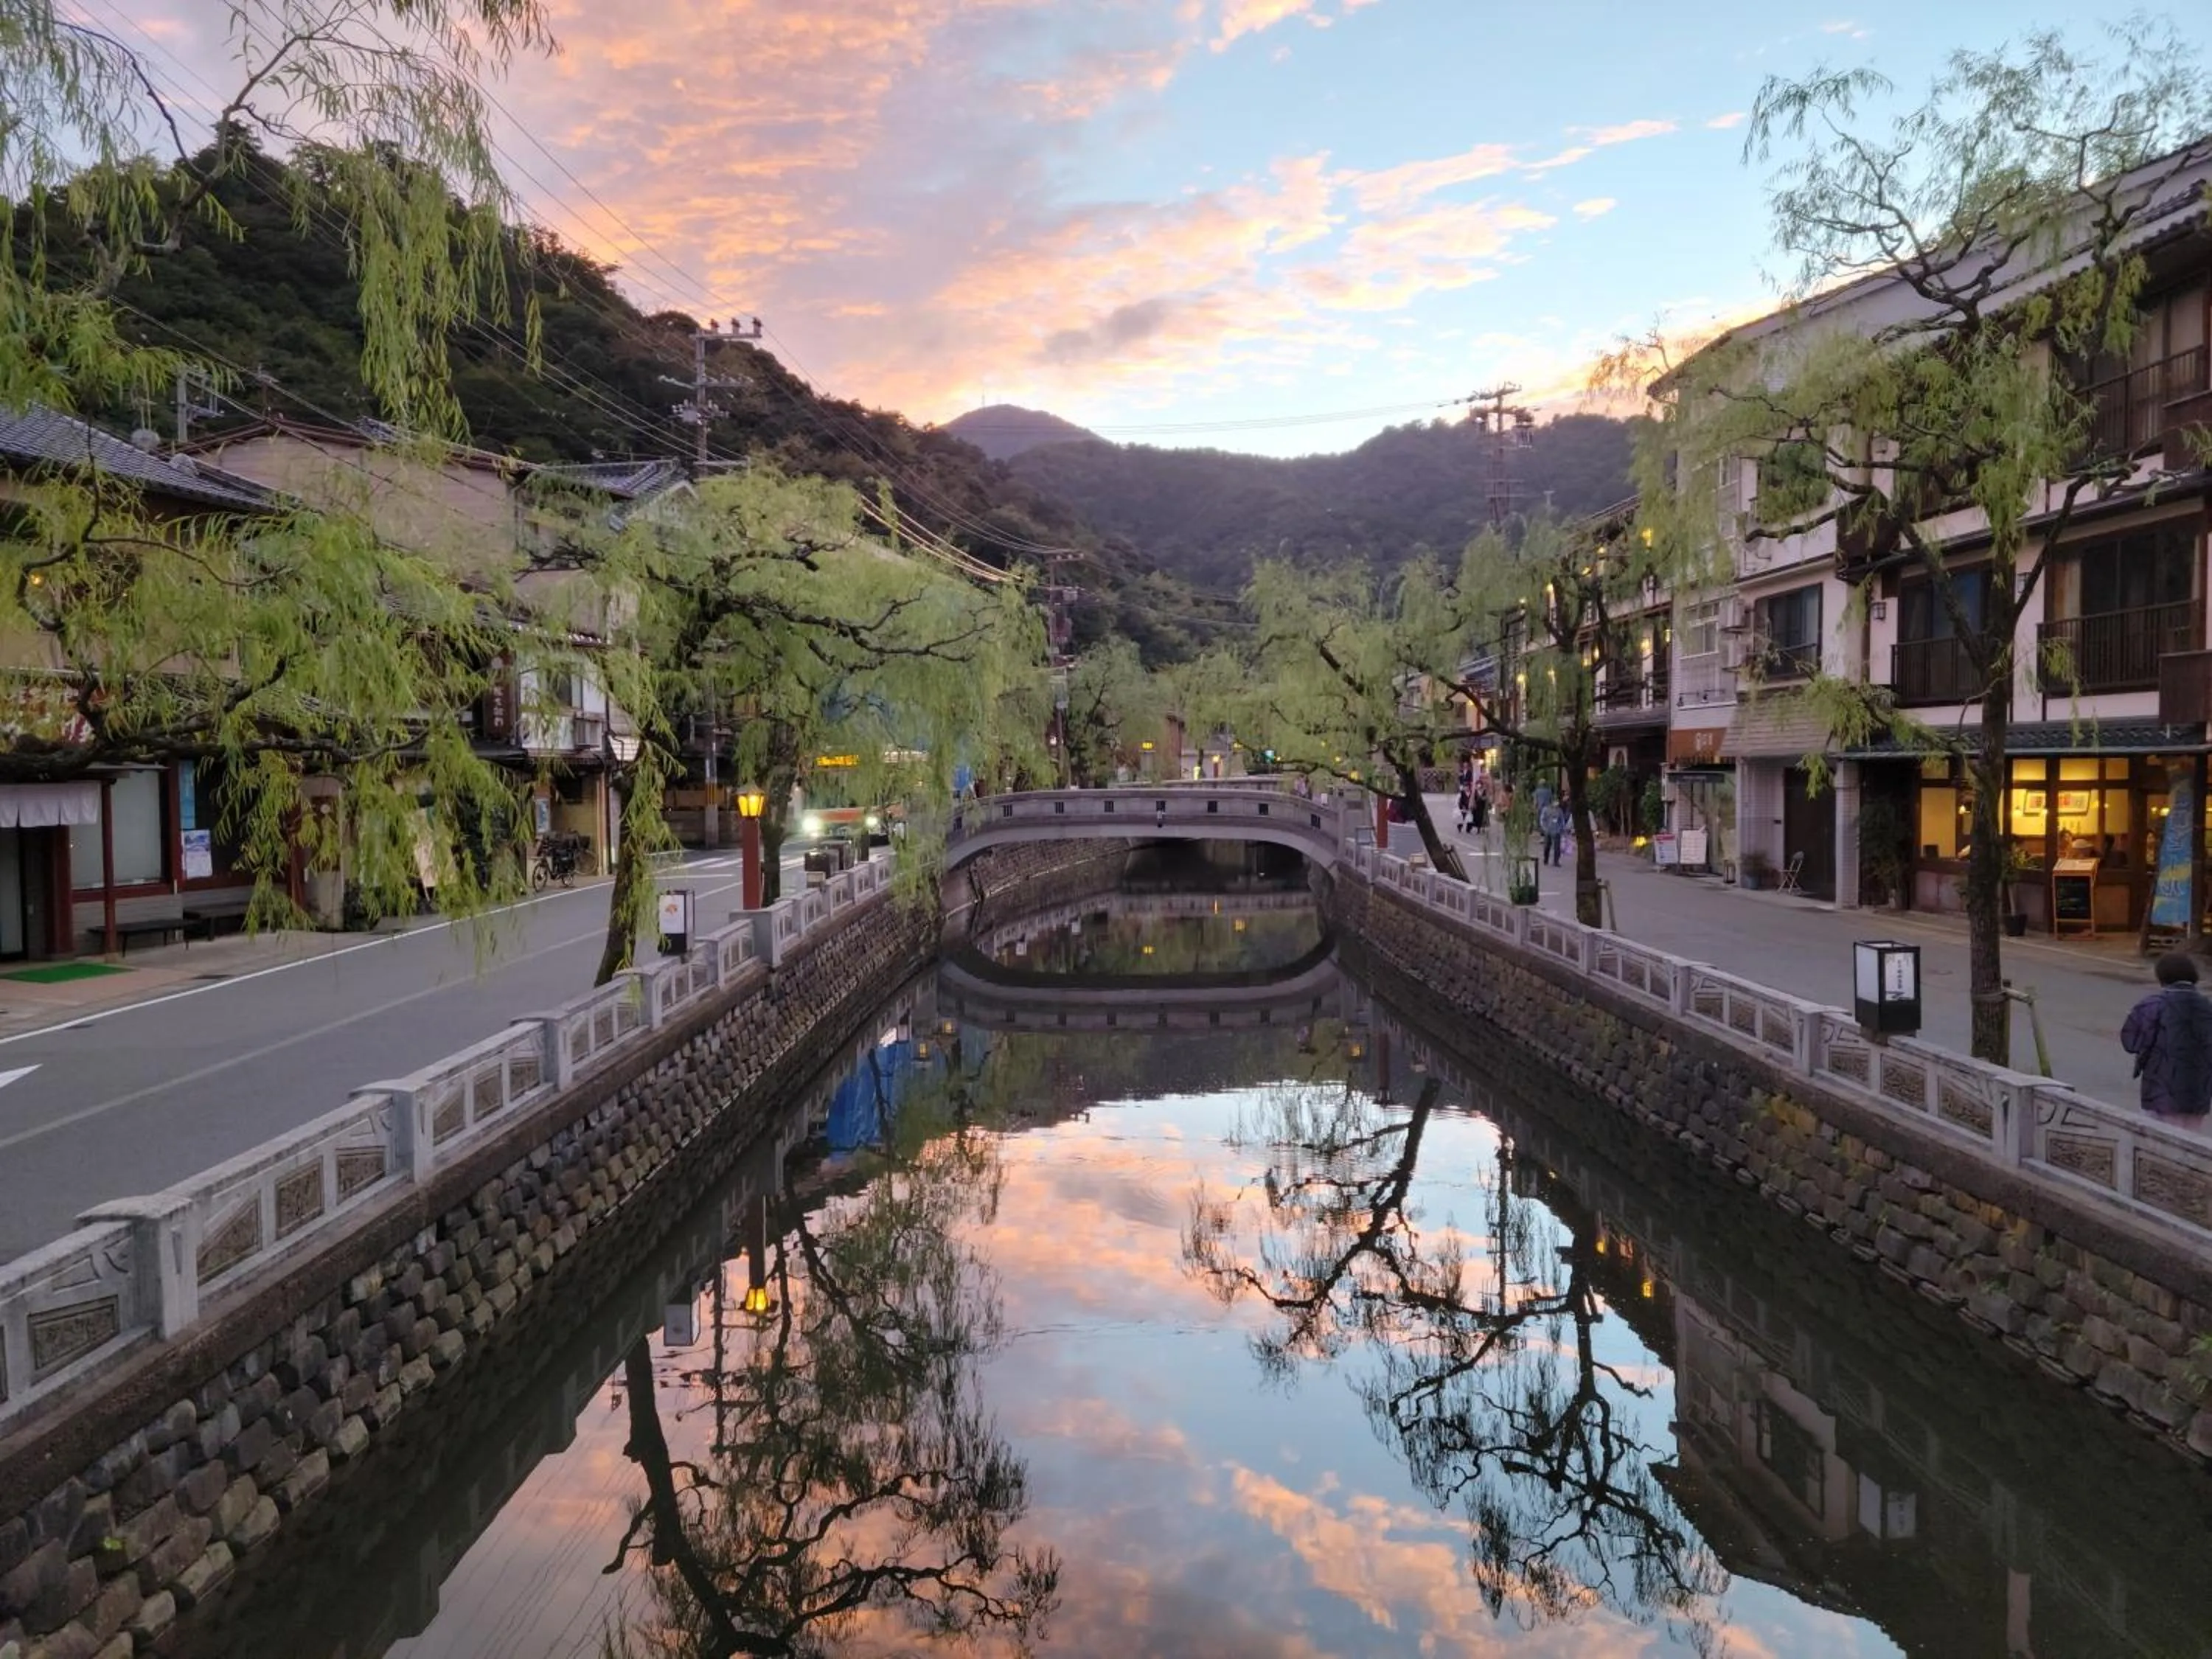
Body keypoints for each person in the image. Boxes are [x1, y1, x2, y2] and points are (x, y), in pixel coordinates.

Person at [2120, 953, 2212, 1129]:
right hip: (2198, 1088)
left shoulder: (2153, 1005)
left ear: (2162, 976)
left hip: (2160, 1087)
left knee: (2156, 1143)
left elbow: (2131, 1042)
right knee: (2190, 1140)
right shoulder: (2207, 1007)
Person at [1537, 797, 1566, 867]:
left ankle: (1556, 861)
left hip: (1557, 831)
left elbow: (1562, 820)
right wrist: (1544, 828)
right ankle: (1546, 859)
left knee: (1557, 847)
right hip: (1548, 830)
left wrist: (1561, 828)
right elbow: (1542, 819)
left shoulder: (1559, 810)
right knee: (1547, 846)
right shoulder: (1546, 810)